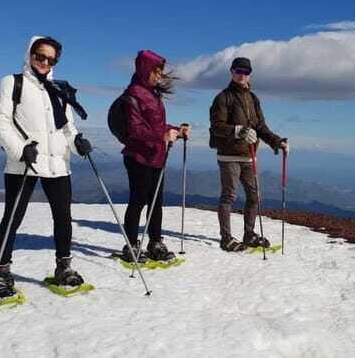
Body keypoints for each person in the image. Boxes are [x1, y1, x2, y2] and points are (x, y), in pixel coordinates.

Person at [0, 36, 92, 297]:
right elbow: (0, 122)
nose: (45, 62)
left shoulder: (58, 89)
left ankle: (64, 267)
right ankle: (2, 274)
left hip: (57, 164)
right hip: (23, 162)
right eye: (40, 56)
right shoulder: (13, 82)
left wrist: (76, 142)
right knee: (13, 218)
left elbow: (66, 127)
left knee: (63, 217)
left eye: (51, 58)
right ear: (29, 54)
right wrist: (20, 149)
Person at [118, 50, 191, 263]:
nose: (159, 75)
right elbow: (135, 129)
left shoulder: (152, 93)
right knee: (138, 200)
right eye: (156, 71)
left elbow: (156, 126)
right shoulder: (133, 94)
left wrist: (177, 129)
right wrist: (163, 135)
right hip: (138, 156)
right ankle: (131, 245)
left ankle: (155, 242)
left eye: (160, 72)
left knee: (155, 202)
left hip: (156, 155)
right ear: (145, 69)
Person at [209, 57, 289, 252]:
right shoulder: (223, 97)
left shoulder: (253, 98)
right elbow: (216, 126)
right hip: (228, 156)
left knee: (254, 196)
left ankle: (249, 234)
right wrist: (238, 130)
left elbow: (260, 126)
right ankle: (226, 238)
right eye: (238, 71)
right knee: (229, 196)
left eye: (246, 72)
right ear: (231, 72)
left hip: (248, 155)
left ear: (249, 74)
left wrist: (277, 141)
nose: (242, 75)